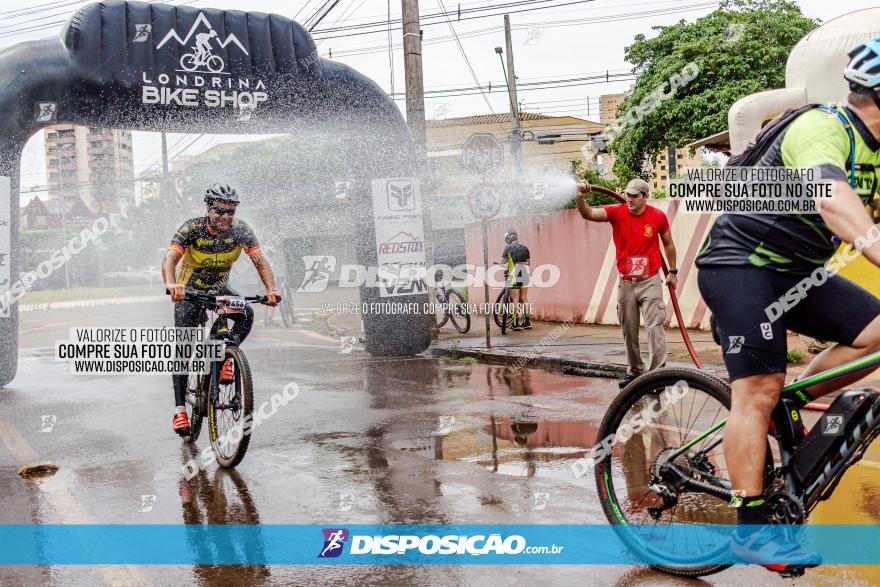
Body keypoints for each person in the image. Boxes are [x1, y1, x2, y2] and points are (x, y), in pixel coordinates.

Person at [695, 39, 880, 567]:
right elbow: (832, 198)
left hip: (799, 272)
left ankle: (791, 403)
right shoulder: (823, 127)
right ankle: (751, 529)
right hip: (740, 265)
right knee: (757, 388)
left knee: (877, 332)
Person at [162, 184, 281, 437]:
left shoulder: (241, 231)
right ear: (208, 208)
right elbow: (170, 258)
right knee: (183, 347)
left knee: (245, 313)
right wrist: (172, 285)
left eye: (231, 212)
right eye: (220, 211)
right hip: (189, 290)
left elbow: (260, 261)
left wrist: (271, 289)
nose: (226, 217)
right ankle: (180, 409)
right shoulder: (192, 229)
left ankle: (223, 354)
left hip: (219, 290)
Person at [575, 178, 678, 388]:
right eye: (628, 195)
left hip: (650, 281)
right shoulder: (617, 212)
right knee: (629, 330)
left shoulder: (657, 216)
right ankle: (634, 372)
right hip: (626, 282)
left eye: (635, 195)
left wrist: (673, 272)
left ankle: (657, 377)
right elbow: (588, 214)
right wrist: (580, 197)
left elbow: (668, 244)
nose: (630, 199)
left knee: (654, 328)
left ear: (645, 197)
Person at [501, 230, 531, 330]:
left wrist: (507, 266)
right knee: (525, 299)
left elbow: (503, 263)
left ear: (509, 239)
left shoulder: (508, 248)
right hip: (525, 273)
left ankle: (515, 323)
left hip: (514, 274)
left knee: (515, 300)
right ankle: (527, 322)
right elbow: (528, 263)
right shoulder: (525, 248)